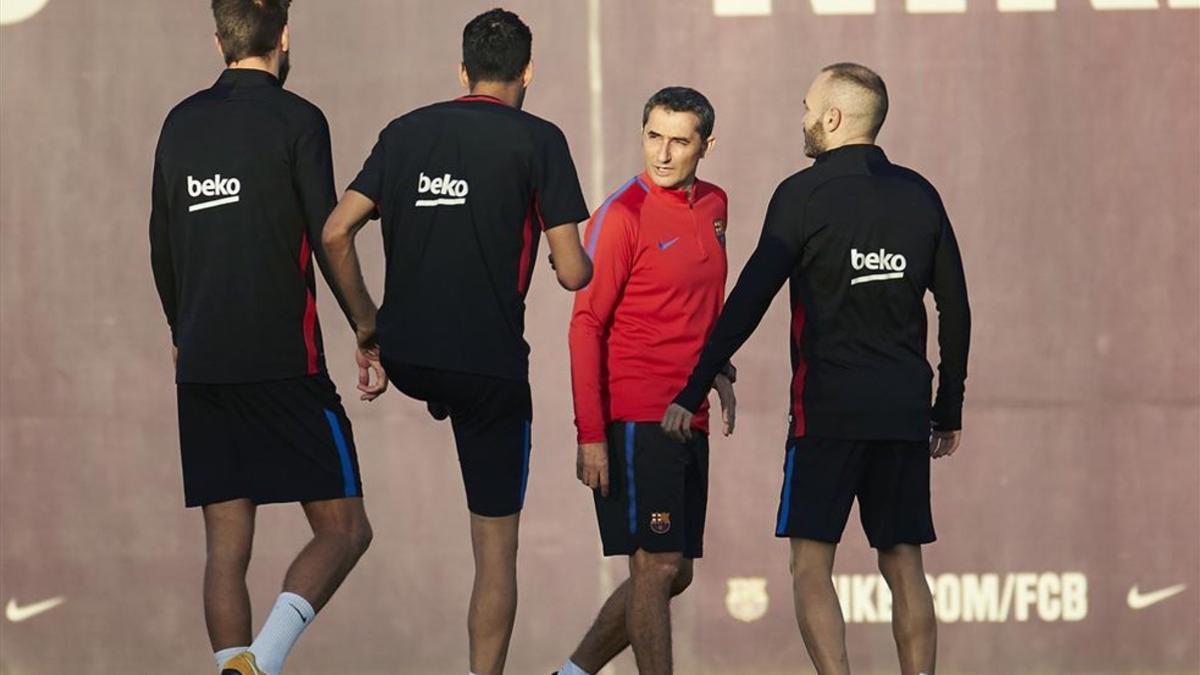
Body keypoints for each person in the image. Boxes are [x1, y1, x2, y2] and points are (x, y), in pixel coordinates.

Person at [663, 63, 971, 675]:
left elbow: (749, 297)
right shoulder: (920, 195)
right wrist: (949, 406)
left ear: (832, 119)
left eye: (808, 108)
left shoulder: (801, 195)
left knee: (810, 564)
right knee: (904, 562)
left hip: (826, 411)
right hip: (904, 411)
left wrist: (693, 386)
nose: (802, 119)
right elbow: (956, 307)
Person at [319, 9, 592, 675]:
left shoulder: (407, 132)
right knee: (495, 550)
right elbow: (571, 270)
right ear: (528, 72)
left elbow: (333, 233)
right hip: (488, 369)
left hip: (408, 356)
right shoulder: (540, 140)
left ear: (461, 70)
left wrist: (368, 327)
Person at [148, 2, 377, 674]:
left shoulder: (179, 123)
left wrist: (178, 329)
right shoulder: (299, 119)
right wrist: (367, 326)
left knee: (226, 547)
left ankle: (235, 667)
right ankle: (260, 663)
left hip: (204, 360)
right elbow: (329, 234)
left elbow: (161, 243)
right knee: (344, 529)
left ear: (219, 40)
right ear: (284, 36)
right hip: (286, 360)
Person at [556, 87, 736, 675]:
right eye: (653, 136)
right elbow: (585, 327)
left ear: (706, 145)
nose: (663, 153)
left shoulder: (715, 205)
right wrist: (591, 434)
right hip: (637, 415)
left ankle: (571, 673)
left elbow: (694, 301)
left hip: (689, 414)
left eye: (679, 141)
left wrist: (717, 366)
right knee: (656, 567)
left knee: (673, 570)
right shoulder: (622, 216)